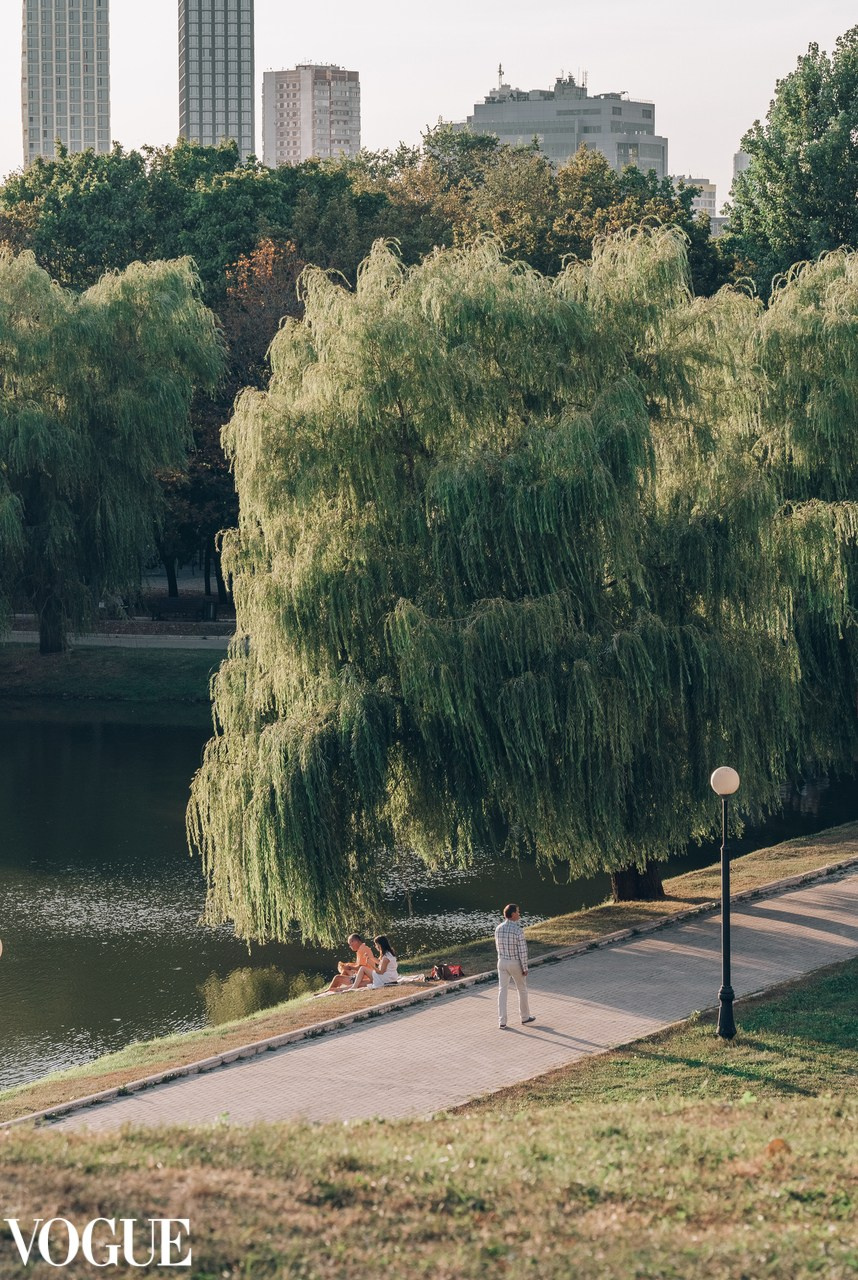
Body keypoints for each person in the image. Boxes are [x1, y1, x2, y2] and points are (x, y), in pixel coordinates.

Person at [494, 903, 535, 1029]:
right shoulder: (518, 930)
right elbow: (522, 951)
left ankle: (502, 1021)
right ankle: (525, 1017)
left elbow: (497, 947)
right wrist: (525, 967)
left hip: (502, 961)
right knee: (522, 989)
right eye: (517, 912)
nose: (519, 914)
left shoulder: (498, 928)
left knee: (502, 991)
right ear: (512, 914)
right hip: (514, 962)